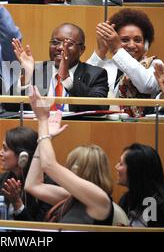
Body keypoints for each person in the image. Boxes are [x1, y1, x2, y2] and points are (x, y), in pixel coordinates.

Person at [24, 86, 113, 225]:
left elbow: (49, 165)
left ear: (83, 170)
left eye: (72, 165)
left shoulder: (100, 200)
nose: (68, 168)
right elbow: (32, 185)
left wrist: (42, 121)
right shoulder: (72, 197)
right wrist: (48, 137)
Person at [13, 23, 109, 112]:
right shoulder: (36, 71)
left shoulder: (95, 74)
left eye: (69, 44)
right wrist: (26, 78)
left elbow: (101, 108)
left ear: (81, 50)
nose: (60, 48)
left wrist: (67, 79)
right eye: (55, 43)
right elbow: (9, 108)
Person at [87, 9, 162, 117]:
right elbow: (84, 83)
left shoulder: (154, 65)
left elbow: (146, 86)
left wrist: (117, 48)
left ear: (145, 43)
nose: (131, 45)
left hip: (142, 128)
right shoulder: (107, 66)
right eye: (125, 40)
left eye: (137, 40)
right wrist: (101, 50)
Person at [0, 126, 51, 221]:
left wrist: (18, 205)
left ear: (23, 156)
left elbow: (40, 229)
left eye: (5, 149)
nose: (0, 153)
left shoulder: (47, 185)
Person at [116, 143, 164, 227]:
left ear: (135, 169)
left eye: (121, 164)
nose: (116, 167)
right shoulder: (126, 199)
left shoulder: (162, 206)